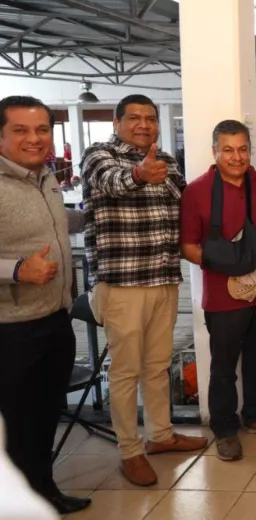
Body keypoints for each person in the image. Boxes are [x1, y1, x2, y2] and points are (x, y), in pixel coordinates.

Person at [82, 94, 207, 487]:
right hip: (122, 283)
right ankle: (130, 451)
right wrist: (139, 174)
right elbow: (113, 183)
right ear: (117, 122)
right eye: (134, 118)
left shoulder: (167, 161)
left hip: (164, 278)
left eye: (150, 118)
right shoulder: (99, 155)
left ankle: (161, 435)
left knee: (157, 366)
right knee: (125, 371)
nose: (144, 125)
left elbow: (189, 203)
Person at [0, 96, 90, 514]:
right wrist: (17, 270)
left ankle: (43, 491)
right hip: (10, 328)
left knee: (45, 415)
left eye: (41, 130)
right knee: (15, 424)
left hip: (55, 319)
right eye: (20, 130)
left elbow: (58, 222)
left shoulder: (46, 177)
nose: (34, 139)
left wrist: (93, 213)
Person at [179, 120, 256, 461]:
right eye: (228, 150)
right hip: (222, 296)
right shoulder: (197, 191)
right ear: (214, 151)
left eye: (242, 149)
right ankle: (224, 428)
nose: (236, 157)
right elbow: (188, 246)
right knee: (223, 366)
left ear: (250, 150)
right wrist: (227, 264)